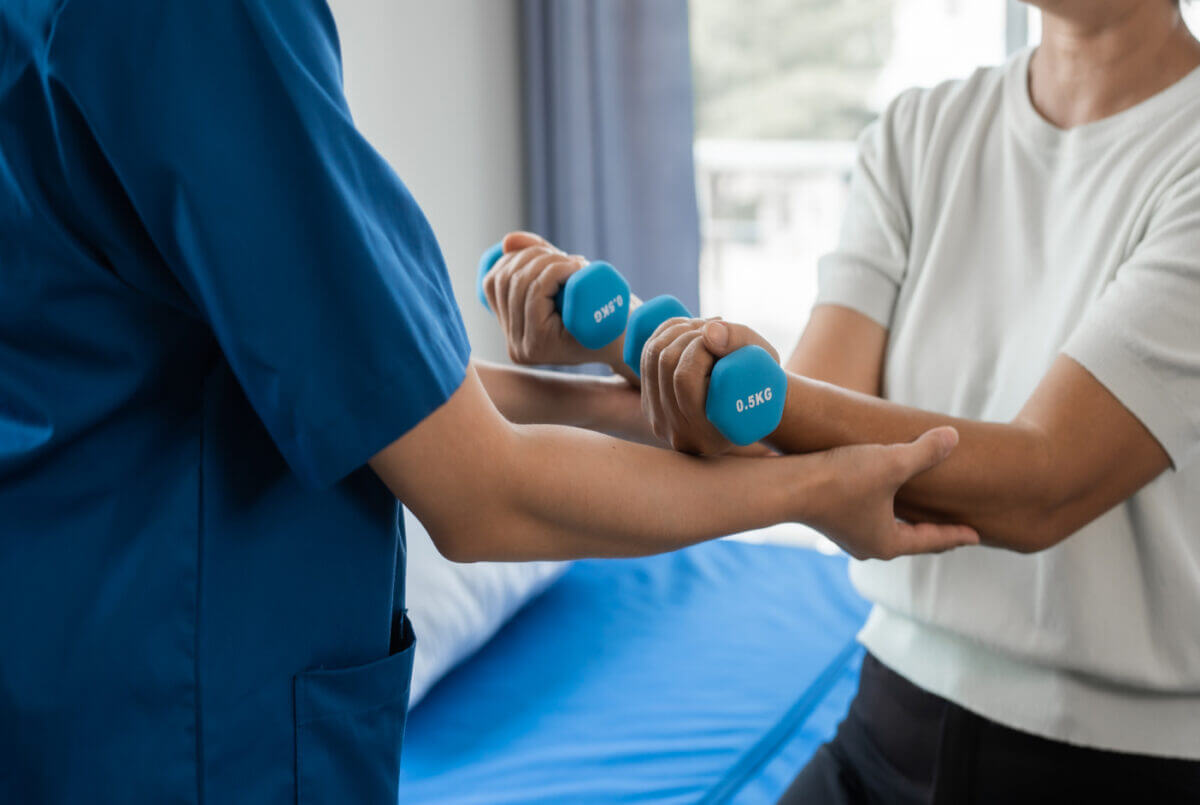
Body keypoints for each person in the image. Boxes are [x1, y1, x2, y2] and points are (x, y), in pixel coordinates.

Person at [0, 1, 983, 802]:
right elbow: (481, 496)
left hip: (71, 672)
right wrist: (816, 495)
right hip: (189, 722)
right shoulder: (196, 22)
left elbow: (347, 379)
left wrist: (621, 409)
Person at [487, 0, 1200, 801]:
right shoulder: (920, 132)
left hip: (1119, 761)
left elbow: (1043, 483)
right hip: (889, 715)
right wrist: (610, 353)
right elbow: (784, 435)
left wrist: (683, 363)